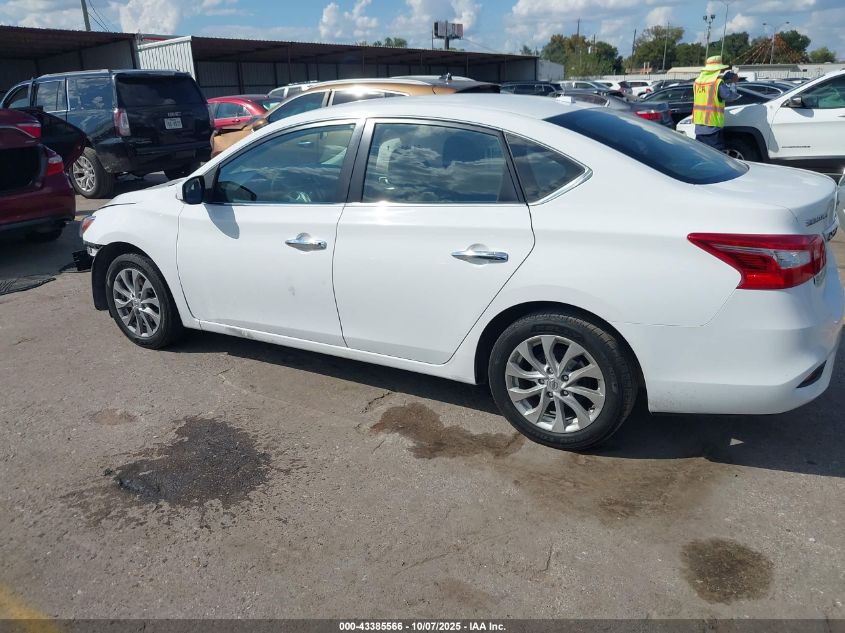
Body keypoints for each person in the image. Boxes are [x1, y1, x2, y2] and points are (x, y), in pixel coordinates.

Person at [692, 56, 740, 151]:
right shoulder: (717, 83)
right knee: (716, 156)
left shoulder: (697, 82)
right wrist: (733, 83)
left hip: (699, 128)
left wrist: (724, 81)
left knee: (702, 154)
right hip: (712, 128)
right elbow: (730, 96)